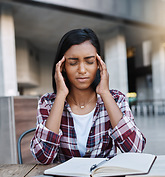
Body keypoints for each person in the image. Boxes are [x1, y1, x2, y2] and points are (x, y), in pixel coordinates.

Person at [30, 28, 146, 164]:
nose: (82, 70)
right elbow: (43, 157)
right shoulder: (48, 103)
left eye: (89, 61)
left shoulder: (116, 99)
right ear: (62, 67)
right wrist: (61, 95)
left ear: (99, 64)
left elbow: (135, 151)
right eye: (73, 63)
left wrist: (105, 93)